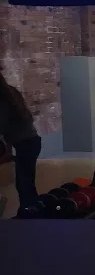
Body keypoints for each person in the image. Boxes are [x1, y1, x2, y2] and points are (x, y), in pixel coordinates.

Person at [0, 72, 40, 211]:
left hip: (26, 143)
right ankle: (32, 209)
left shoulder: (3, 99)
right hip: (32, 141)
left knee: (24, 183)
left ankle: (30, 211)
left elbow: (3, 126)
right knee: (26, 182)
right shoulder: (11, 92)